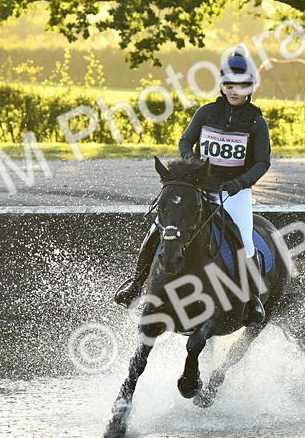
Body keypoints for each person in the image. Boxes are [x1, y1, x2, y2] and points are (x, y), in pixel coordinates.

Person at [113, 52, 272, 325]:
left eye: (242, 86)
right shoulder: (206, 113)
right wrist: (191, 165)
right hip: (198, 187)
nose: (235, 91)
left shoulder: (257, 122)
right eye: (229, 85)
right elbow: (185, 142)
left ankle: (253, 299)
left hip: (234, 192)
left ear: (251, 88)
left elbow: (262, 163)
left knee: (245, 241)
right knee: (157, 229)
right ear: (222, 86)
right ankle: (136, 284)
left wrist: (239, 183)